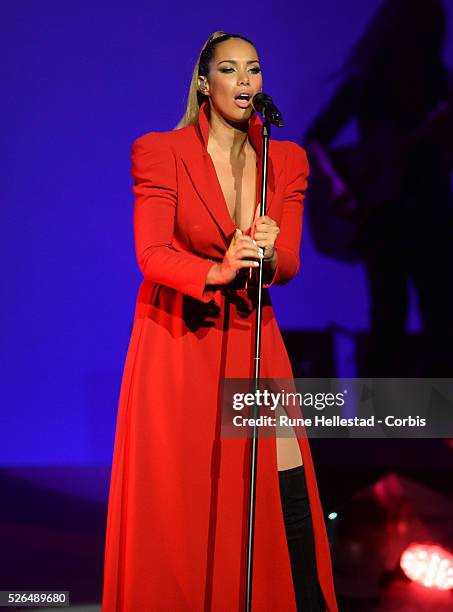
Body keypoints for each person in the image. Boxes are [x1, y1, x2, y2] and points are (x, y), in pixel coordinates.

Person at [102, 31, 338, 611]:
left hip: (254, 335)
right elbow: (151, 255)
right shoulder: (162, 151)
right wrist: (220, 268)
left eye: (253, 69)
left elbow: (289, 265)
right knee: (188, 494)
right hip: (179, 339)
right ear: (205, 84)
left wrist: (269, 249)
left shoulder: (286, 159)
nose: (245, 81)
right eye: (230, 70)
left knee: (282, 464)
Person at [304, 0, 453, 377]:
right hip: (383, 221)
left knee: (442, 321)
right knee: (387, 321)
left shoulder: (452, 90)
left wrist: (447, 138)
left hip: (435, 217)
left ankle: (444, 428)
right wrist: (339, 187)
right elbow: (316, 138)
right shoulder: (367, 86)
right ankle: (384, 426)